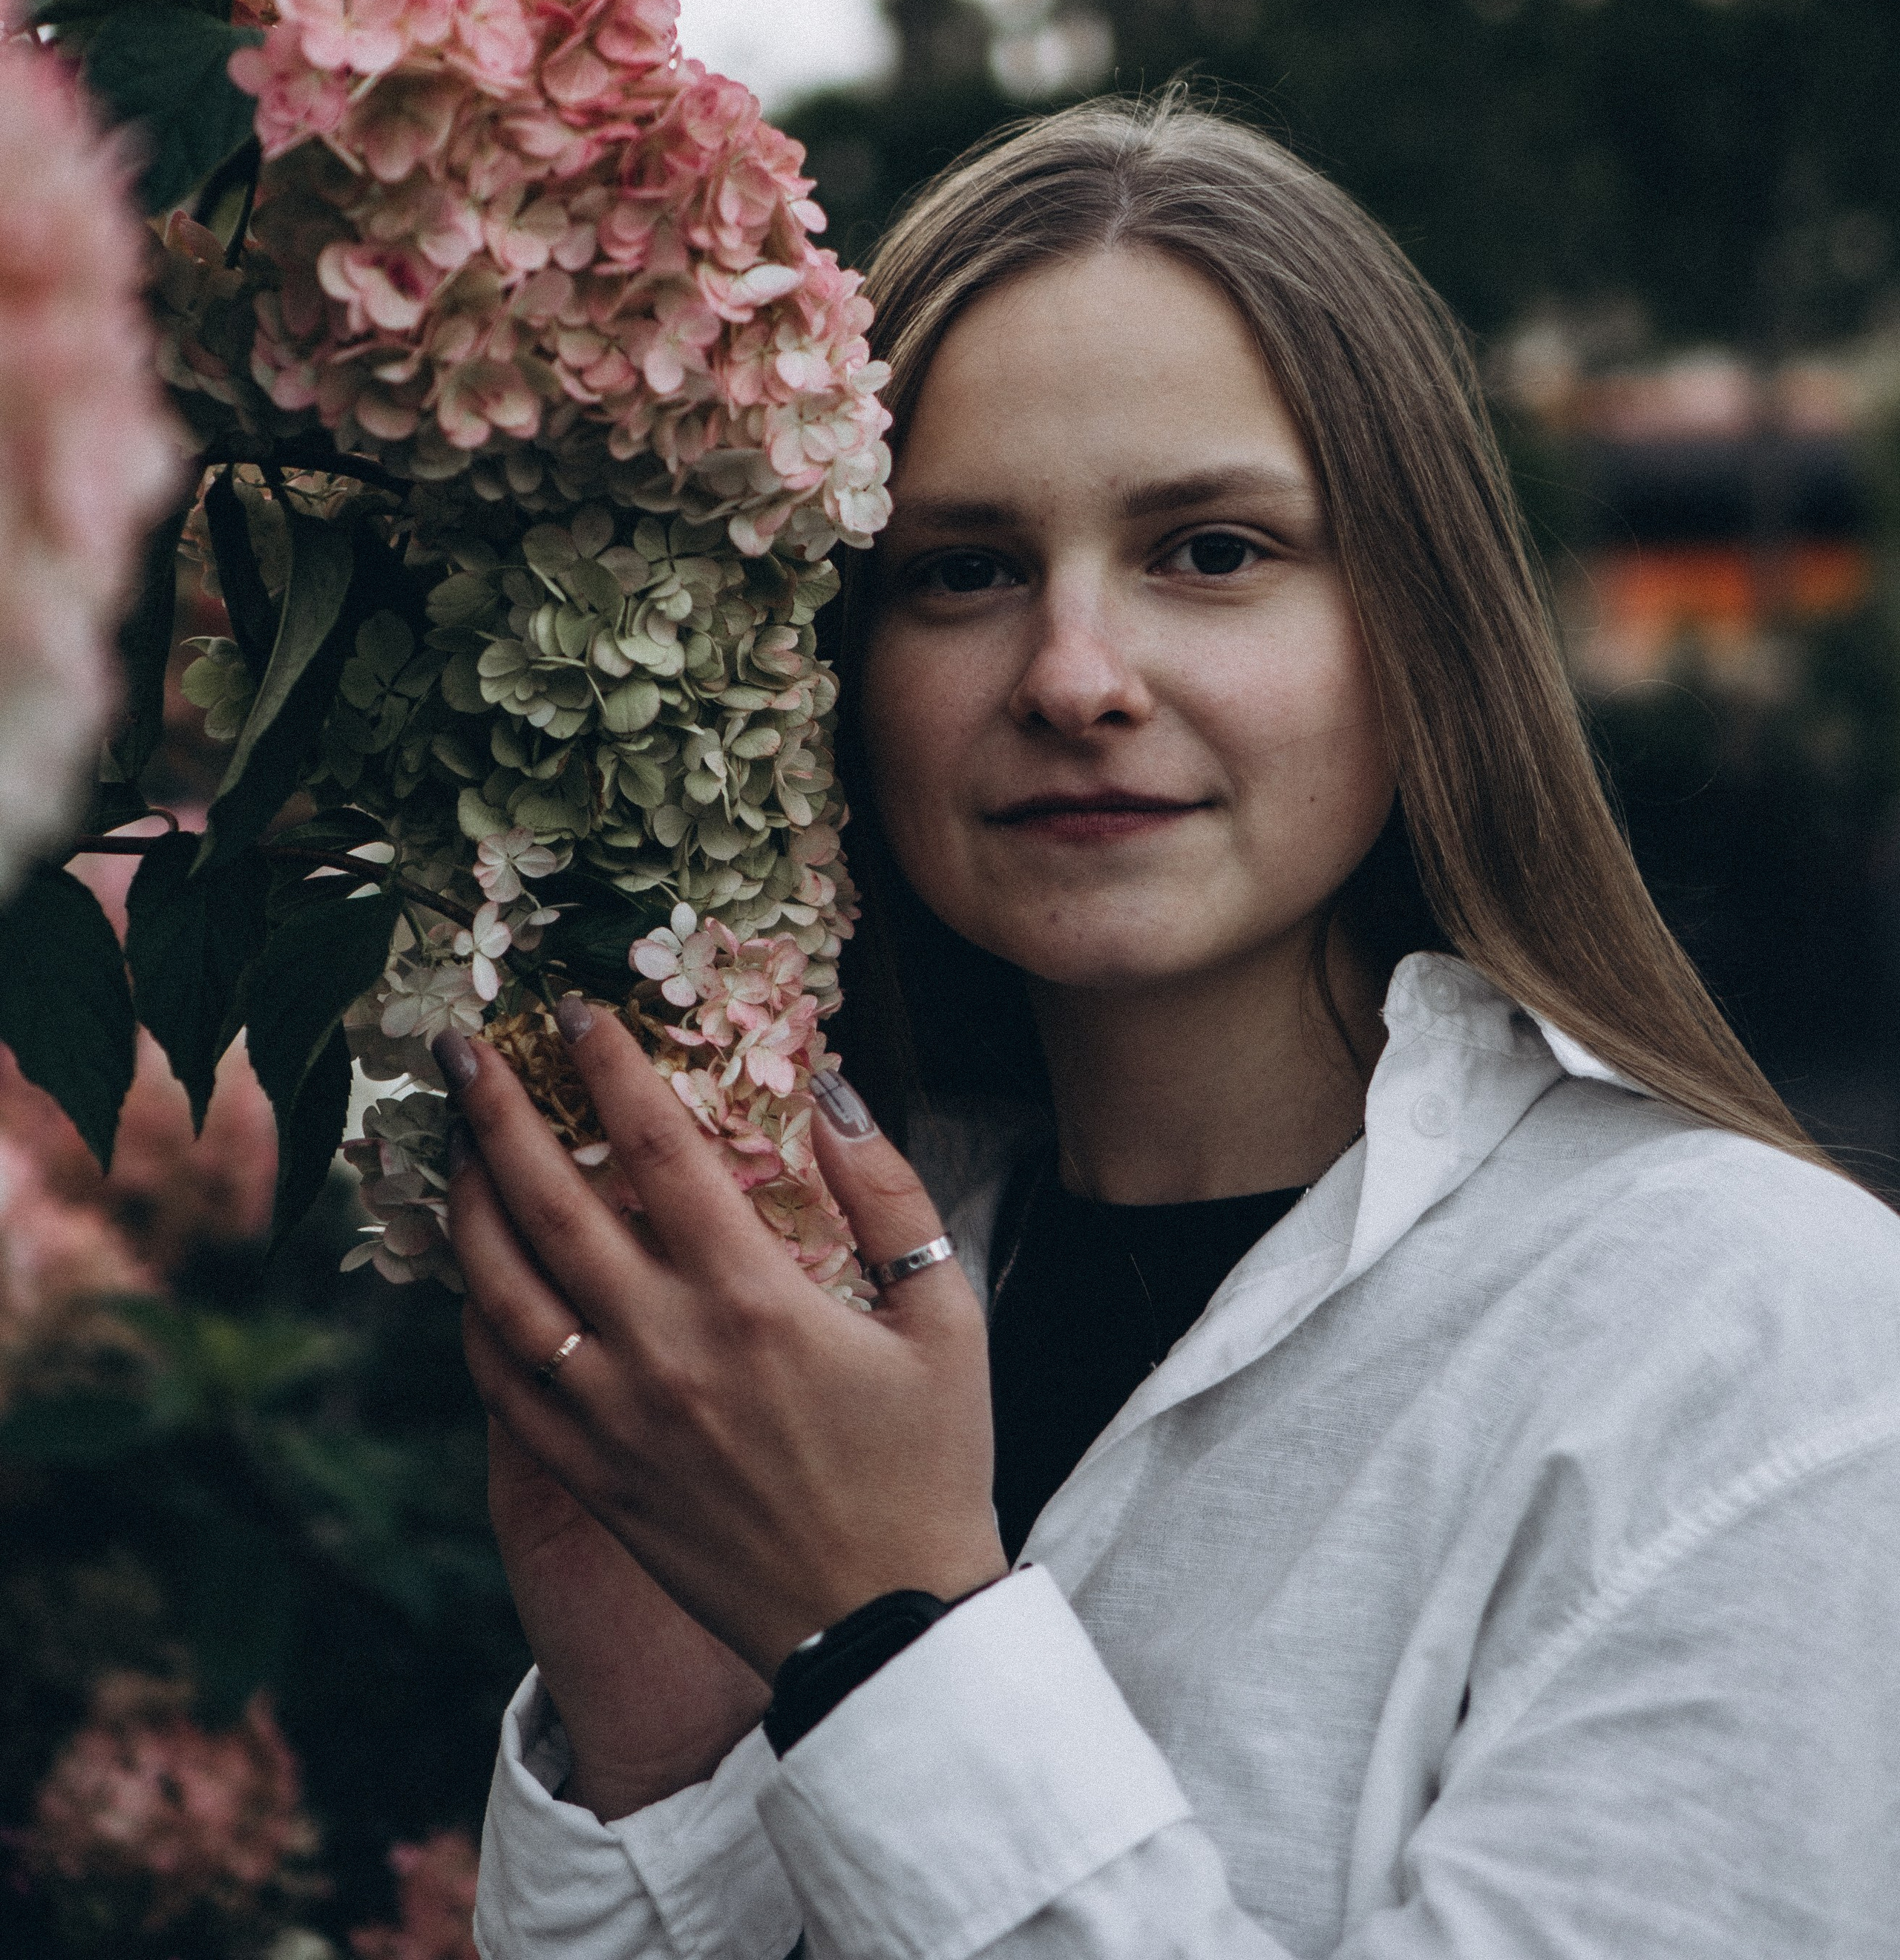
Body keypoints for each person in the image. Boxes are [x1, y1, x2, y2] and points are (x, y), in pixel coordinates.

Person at [442, 95, 1900, 1960]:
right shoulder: (793, 1325)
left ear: (1419, 625)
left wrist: (890, 1628)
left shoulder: (1762, 1345)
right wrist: (657, 1757)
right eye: (958, 568)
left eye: (1208, 551)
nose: (1072, 677)